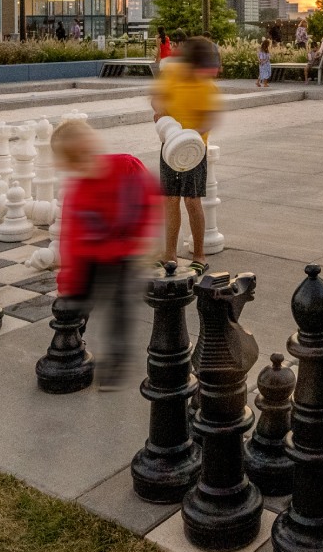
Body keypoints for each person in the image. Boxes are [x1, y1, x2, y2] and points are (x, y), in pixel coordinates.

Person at [52, 118, 159, 390]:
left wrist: (141, 237)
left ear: (95, 145)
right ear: (68, 165)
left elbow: (149, 198)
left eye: (87, 152)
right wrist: (67, 282)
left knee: (120, 310)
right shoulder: (77, 192)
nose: (85, 162)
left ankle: (116, 362)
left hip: (123, 256)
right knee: (77, 302)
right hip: (90, 257)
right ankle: (72, 340)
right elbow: (71, 241)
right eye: (76, 159)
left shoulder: (126, 165)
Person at [151, 36, 220, 272]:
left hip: (194, 151)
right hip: (169, 147)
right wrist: (161, 112)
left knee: (192, 202)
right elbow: (156, 99)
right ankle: (169, 254)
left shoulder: (206, 85)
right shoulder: (172, 75)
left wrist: (189, 137)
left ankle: (199, 256)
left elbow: (210, 118)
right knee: (170, 200)